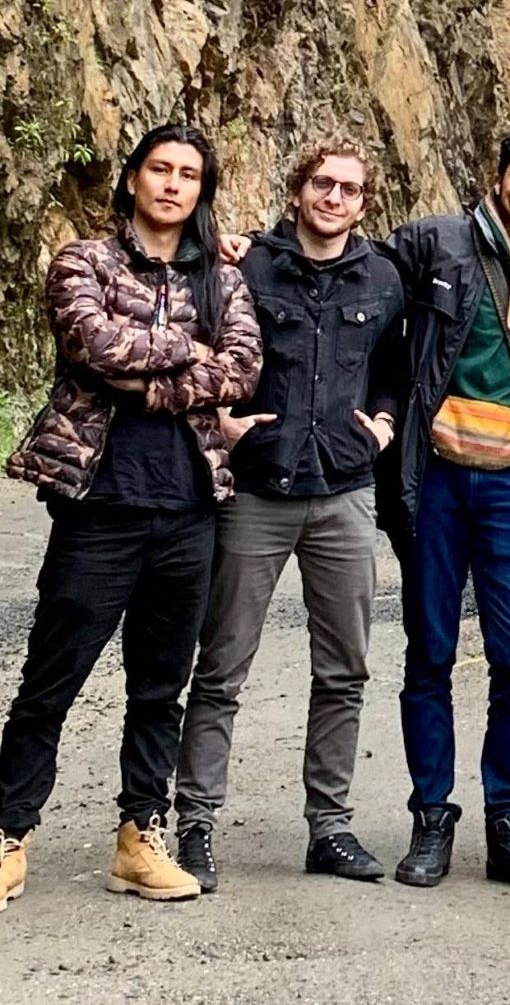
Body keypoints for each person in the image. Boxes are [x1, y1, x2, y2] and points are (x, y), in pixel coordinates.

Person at [0, 124, 261, 908]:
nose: (173, 184)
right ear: (134, 179)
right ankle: (9, 831)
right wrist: (188, 359)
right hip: (100, 504)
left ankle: (139, 838)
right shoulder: (84, 259)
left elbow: (243, 367)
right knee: (52, 679)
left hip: (189, 508)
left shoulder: (222, 276)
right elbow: (91, 342)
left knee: (159, 687)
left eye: (189, 174)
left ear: (202, 190)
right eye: (160, 169)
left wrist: (153, 373)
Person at [172, 139, 406, 892]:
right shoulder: (246, 265)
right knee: (222, 667)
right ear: (299, 189)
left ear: (364, 203)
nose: (335, 198)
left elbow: (396, 367)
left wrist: (385, 422)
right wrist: (224, 417)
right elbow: (197, 343)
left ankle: (329, 829)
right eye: (323, 184)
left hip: (343, 491)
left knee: (344, 671)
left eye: (350, 189)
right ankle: (197, 825)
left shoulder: (383, 277)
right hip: (259, 491)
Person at [380, 123, 510, 892]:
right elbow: (358, 282)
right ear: (498, 178)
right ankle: (431, 817)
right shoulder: (438, 242)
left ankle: (509, 821)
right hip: (436, 473)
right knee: (429, 649)